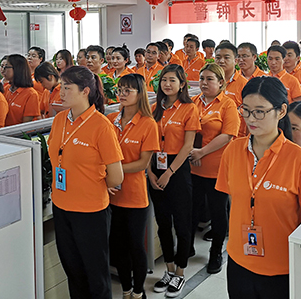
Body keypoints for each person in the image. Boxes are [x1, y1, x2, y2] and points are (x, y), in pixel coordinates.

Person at [216, 76, 301, 299]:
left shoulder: (298, 159)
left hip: (281, 267)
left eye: (260, 112)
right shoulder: (232, 151)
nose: (251, 119)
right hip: (238, 261)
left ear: (281, 111)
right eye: (246, 110)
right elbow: (235, 200)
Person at [48, 66, 124, 299]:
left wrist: (92, 183)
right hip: (61, 206)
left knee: (95, 274)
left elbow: (116, 176)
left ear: (85, 91)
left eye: (67, 87)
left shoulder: (101, 125)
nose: (61, 92)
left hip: (90, 211)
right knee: (73, 270)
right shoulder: (59, 119)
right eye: (61, 87)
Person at [148, 64, 200, 297]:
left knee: (181, 222)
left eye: (172, 80)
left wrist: (169, 172)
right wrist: (150, 173)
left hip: (176, 169)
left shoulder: (189, 109)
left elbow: (188, 146)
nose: (167, 84)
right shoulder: (154, 108)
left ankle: (180, 271)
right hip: (155, 166)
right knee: (162, 222)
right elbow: (147, 143)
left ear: (182, 84)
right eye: (164, 80)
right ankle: (168, 269)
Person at [107, 74, 159, 299]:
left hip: (135, 196)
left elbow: (142, 164)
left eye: (128, 90)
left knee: (136, 246)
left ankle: (138, 292)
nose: (122, 94)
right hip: (111, 195)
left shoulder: (148, 124)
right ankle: (126, 290)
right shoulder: (110, 120)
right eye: (120, 89)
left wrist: (111, 172)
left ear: (140, 94)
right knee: (118, 246)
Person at [189, 63, 240, 274]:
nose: (204, 83)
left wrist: (202, 152)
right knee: (192, 210)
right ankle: (187, 246)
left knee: (218, 212)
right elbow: (186, 130)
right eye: (202, 78)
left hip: (217, 169)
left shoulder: (228, 105)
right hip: (193, 167)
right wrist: (193, 152)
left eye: (209, 79)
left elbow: (227, 135)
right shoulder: (193, 102)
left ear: (221, 83)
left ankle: (216, 252)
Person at [3, 54, 40, 126]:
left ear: (17, 69)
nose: (3, 70)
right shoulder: (6, 89)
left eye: (6, 67)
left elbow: (26, 125)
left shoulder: (31, 94)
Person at [215, 41, 246, 107]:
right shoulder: (209, 81)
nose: (221, 61)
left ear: (235, 61)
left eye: (226, 58)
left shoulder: (244, 84)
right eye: (218, 58)